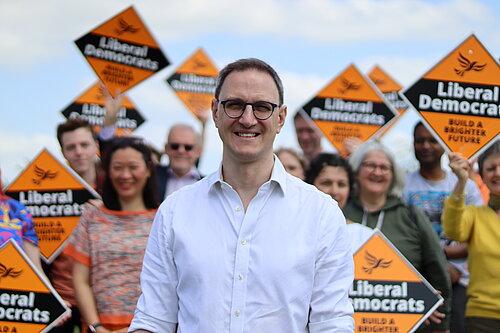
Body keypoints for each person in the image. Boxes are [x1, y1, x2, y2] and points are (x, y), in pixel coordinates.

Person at [129, 58, 354, 332]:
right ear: (215, 112)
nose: (248, 119)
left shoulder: (321, 213)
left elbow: (331, 323)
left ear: (280, 118)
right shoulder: (175, 211)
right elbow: (154, 320)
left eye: (262, 107)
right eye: (235, 105)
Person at [343, 140, 451, 333]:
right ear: (356, 171)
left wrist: (440, 325)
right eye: (370, 165)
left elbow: (438, 272)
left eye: (384, 167)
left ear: (393, 175)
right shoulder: (339, 212)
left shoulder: (411, 215)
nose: (377, 172)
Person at [65, 137, 160, 333]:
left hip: (152, 327)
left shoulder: (164, 218)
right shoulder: (92, 217)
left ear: (149, 169)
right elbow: (80, 280)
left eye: (133, 167)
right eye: (117, 167)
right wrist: (96, 327)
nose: (125, 175)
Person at [403, 122, 483, 333]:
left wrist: (445, 261)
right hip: (412, 280)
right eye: (420, 141)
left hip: (458, 281)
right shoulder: (401, 184)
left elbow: (477, 238)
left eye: (432, 140)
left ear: (443, 144)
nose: (426, 146)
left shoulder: (468, 186)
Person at [443, 141, 500, 333]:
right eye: (491, 169)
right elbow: (453, 230)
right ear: (482, 176)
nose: (498, 173)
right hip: (483, 317)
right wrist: (461, 181)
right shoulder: (476, 215)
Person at [305, 152, 373, 249]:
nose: (334, 191)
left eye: (341, 184)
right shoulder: (297, 229)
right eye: (326, 183)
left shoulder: (364, 236)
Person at [157, 124, 203, 199]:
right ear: (166, 148)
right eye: (175, 146)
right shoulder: (150, 178)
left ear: (198, 151)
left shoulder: (209, 186)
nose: (181, 151)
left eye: (188, 147)